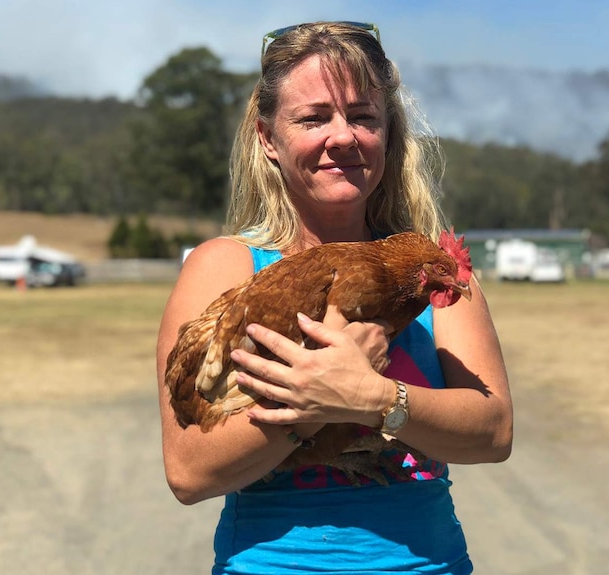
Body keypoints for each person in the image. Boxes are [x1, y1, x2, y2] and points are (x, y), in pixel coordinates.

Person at [156, 21, 513, 575]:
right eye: (314, 117)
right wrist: (314, 403)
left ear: (388, 135)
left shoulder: (432, 276)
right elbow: (189, 474)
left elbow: (493, 432)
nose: (343, 136)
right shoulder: (226, 266)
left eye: (364, 116)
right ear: (268, 138)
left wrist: (374, 397)